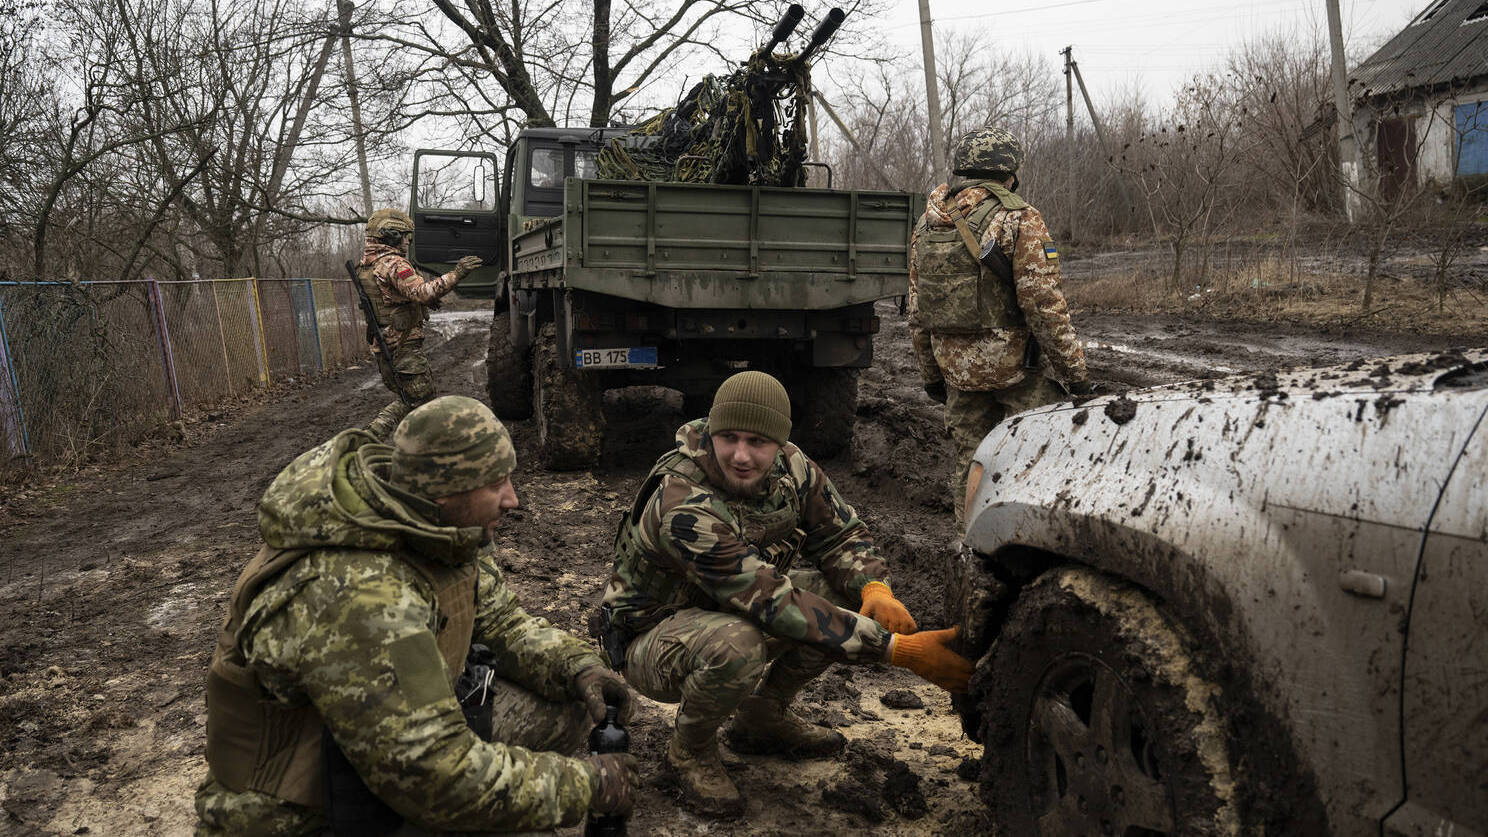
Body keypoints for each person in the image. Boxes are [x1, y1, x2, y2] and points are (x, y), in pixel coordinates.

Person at [195, 396, 638, 835]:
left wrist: (578, 666)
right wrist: (587, 786)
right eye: (495, 483)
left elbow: (501, 623)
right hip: (295, 817)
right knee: (466, 794)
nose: (512, 499)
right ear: (446, 490)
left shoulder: (438, 529)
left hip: (372, 761)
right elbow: (433, 775)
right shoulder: (361, 593)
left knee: (570, 702)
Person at [597, 371, 973, 819]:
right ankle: (689, 752)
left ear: (779, 443)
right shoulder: (682, 500)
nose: (740, 455)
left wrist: (874, 587)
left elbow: (840, 534)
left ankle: (763, 717)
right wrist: (898, 650)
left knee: (846, 600)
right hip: (651, 636)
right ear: (712, 431)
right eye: (728, 437)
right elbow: (767, 598)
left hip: (726, 610)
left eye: (757, 441)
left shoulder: (792, 467)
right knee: (739, 645)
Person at [908, 126, 1092, 530]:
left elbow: (918, 310)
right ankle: (1032, 542)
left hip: (956, 373)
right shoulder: (1019, 217)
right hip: (1016, 373)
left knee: (970, 467)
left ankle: (970, 554)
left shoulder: (928, 223)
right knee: (1036, 458)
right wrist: (1075, 374)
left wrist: (931, 376)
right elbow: (1043, 305)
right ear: (1009, 173)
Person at [357, 208, 483, 440]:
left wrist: (420, 305)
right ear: (390, 235)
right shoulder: (394, 264)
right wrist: (457, 273)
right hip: (402, 344)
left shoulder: (367, 265)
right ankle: (370, 436)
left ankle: (417, 446)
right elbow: (423, 292)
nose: (407, 242)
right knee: (418, 397)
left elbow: (391, 298)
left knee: (417, 400)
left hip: (386, 344)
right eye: (404, 236)